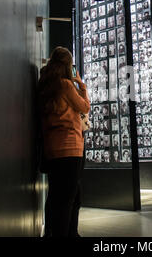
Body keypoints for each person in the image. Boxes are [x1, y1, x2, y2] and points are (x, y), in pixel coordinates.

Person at [39, 47, 91, 238]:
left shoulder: (45, 86)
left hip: (52, 150)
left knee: (55, 197)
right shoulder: (65, 85)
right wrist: (81, 86)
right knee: (69, 199)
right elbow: (84, 107)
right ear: (68, 65)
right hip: (70, 149)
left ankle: (60, 233)